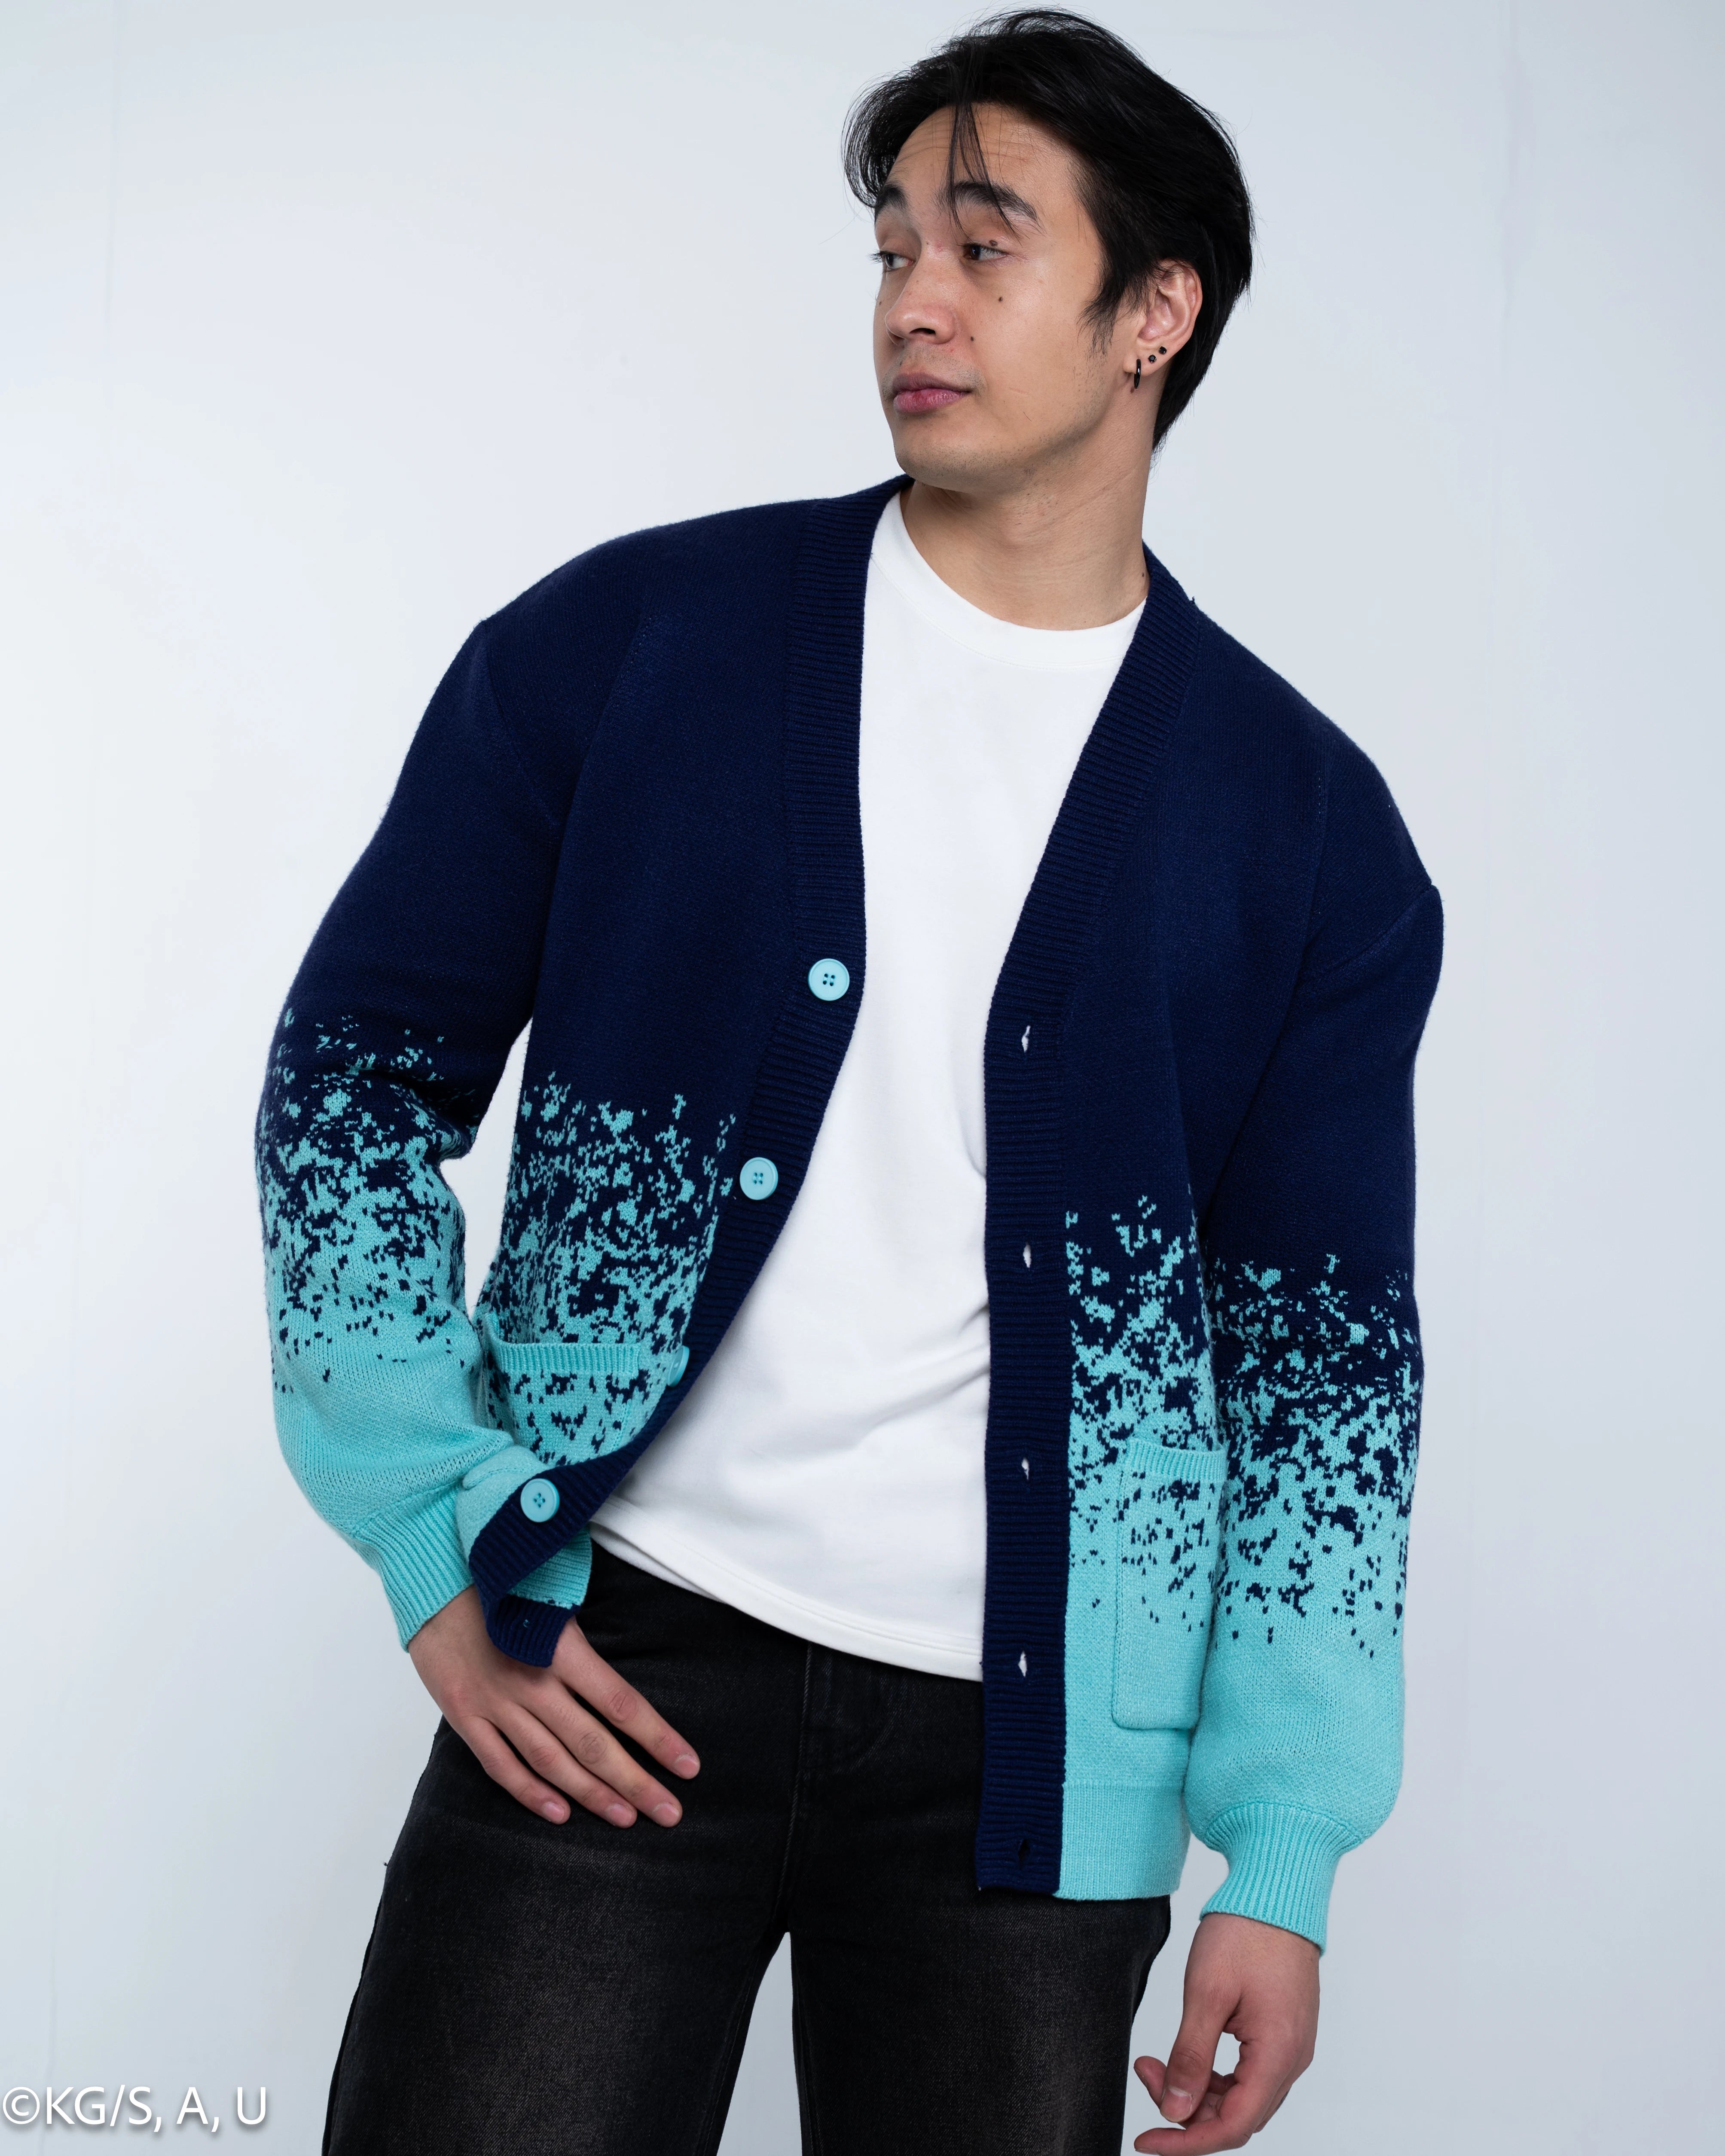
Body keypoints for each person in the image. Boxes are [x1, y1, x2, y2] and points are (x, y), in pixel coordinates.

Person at [254, 11, 1442, 2153]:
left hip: (1029, 1767)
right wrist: (434, 1534)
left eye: (985, 244)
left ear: (1153, 312)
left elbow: (1321, 1376)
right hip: (608, 1658)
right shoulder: (630, 649)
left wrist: (1282, 1851)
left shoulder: (1307, 835)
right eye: (892, 245)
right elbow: (352, 1078)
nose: (911, 299)